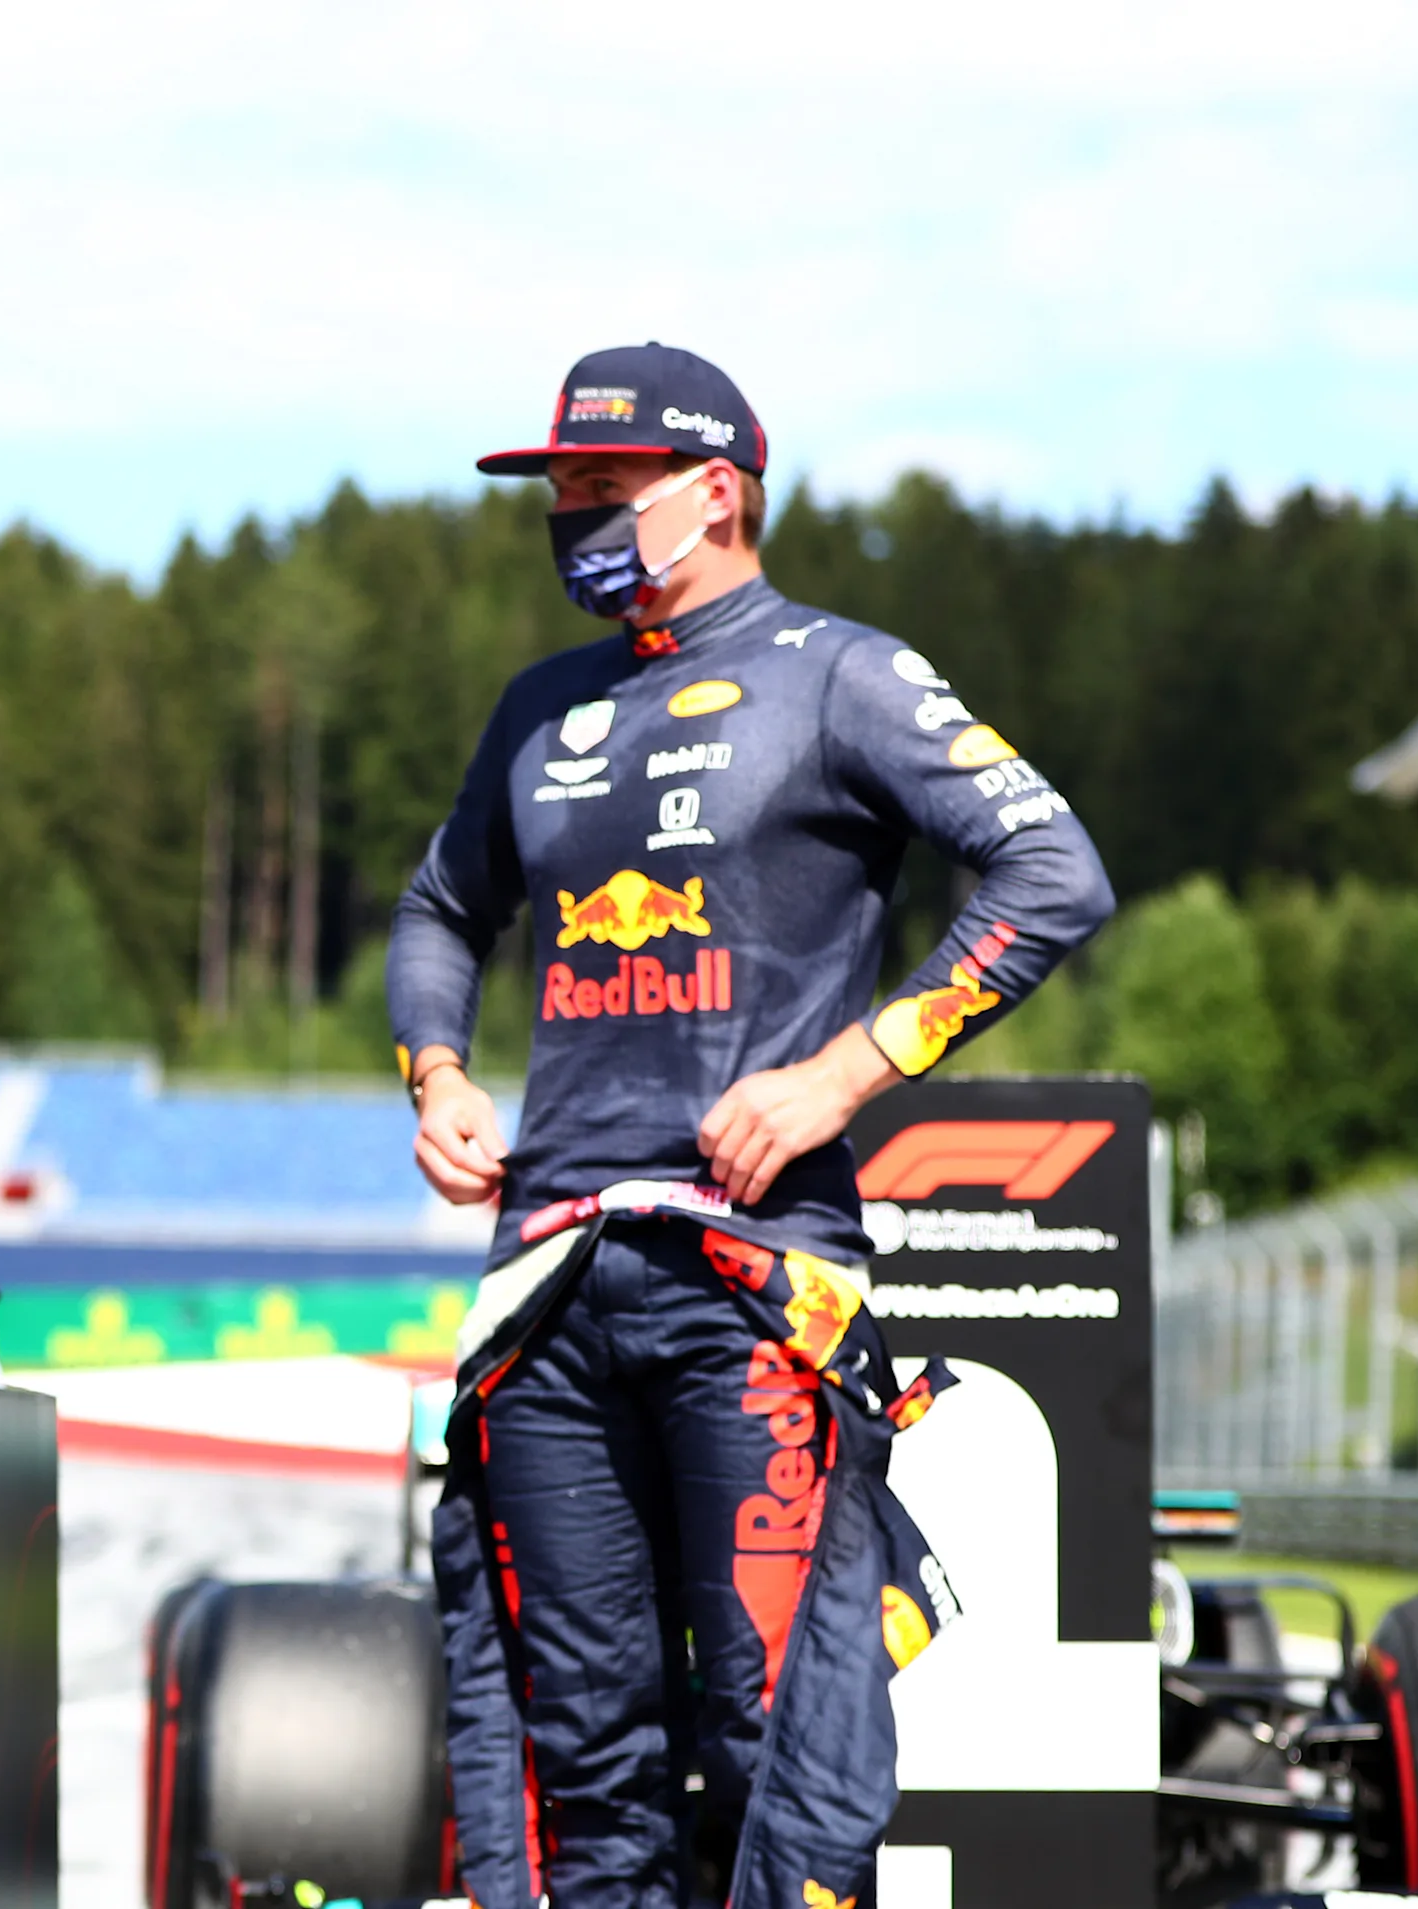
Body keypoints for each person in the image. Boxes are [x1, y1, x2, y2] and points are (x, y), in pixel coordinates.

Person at [387, 343, 1113, 1908]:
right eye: (558, 493)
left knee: (781, 1731)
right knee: (580, 1746)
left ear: (716, 491)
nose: (570, 520)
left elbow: (1054, 869)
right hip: (550, 1293)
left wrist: (845, 1074)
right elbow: (443, 908)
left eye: (602, 491)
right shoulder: (538, 708)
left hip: (755, 1285)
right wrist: (436, 1074)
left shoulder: (841, 672)